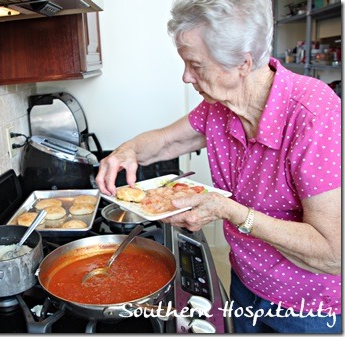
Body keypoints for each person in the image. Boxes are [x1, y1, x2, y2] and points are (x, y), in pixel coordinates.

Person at [95, 0, 341, 333]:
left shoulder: (314, 114)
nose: (185, 76)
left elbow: (331, 252)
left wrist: (229, 211)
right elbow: (168, 141)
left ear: (243, 63)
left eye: (195, 65)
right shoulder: (219, 107)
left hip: (305, 306)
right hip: (245, 283)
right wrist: (127, 151)